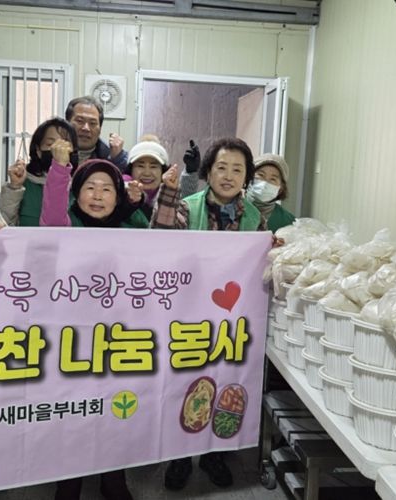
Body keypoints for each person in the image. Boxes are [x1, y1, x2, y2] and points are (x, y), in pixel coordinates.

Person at [151, 137, 264, 491]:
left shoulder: (255, 218)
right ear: (208, 172)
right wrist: (168, 194)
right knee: (184, 384)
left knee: (227, 382)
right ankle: (179, 457)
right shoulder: (188, 206)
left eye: (237, 170)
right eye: (221, 168)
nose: (228, 176)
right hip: (189, 316)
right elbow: (160, 239)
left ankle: (215, 454)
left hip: (233, 320)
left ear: (246, 177)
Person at [39, 141, 143, 500]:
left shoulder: (130, 232)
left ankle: (114, 479)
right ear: (77, 193)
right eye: (89, 188)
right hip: (71, 344)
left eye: (107, 189)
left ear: (118, 197)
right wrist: (60, 169)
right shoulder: (64, 227)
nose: (98, 196)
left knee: (115, 414)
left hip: (117, 342)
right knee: (73, 416)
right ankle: (69, 482)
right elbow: (53, 212)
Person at [0, 117, 79, 226]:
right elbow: (1, 223)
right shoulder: (24, 183)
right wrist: (14, 188)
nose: (58, 151)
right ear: (38, 150)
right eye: (50, 144)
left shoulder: (80, 187)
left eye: (64, 146)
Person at [65, 96, 128, 171]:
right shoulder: (53, 153)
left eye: (92, 123)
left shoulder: (111, 157)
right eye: (80, 121)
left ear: (100, 129)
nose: (86, 128)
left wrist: (117, 159)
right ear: (66, 124)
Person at [125, 135, 173, 220]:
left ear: (163, 171)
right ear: (130, 170)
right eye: (140, 166)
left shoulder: (170, 194)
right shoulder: (120, 192)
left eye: (153, 167)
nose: (147, 173)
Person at [247, 153, 295, 232]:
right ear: (249, 177)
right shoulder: (234, 209)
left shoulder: (289, 223)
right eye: (261, 175)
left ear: (281, 188)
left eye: (273, 179)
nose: (265, 183)